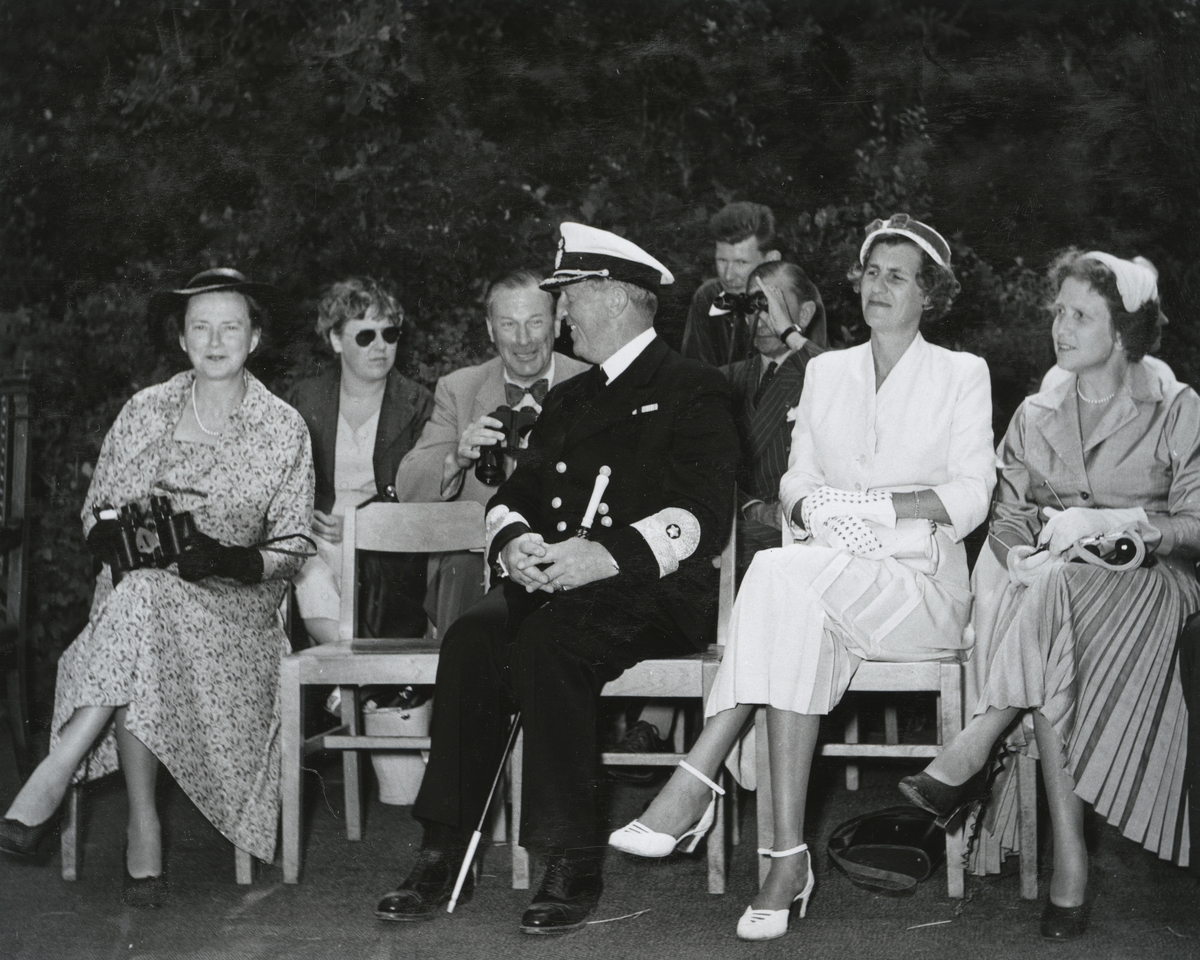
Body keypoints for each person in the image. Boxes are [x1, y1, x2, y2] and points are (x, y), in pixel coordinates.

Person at [611, 214, 995, 942]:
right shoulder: (827, 371)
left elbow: (973, 495)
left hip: (919, 590)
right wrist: (811, 505)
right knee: (792, 611)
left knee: (780, 574)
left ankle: (697, 776)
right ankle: (784, 866)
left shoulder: (960, 373)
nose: (878, 286)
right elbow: (797, 477)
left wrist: (873, 508)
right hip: (826, 584)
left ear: (930, 294)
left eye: (898, 276)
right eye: (871, 272)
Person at [375, 222, 739, 934]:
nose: (560, 312)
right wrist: (512, 540)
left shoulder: (695, 387)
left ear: (616, 297)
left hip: (652, 592)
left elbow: (701, 516)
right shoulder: (571, 398)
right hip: (557, 579)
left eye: (569, 296)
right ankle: (442, 850)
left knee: (552, 642)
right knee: (473, 636)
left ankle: (570, 858)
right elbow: (519, 494)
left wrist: (605, 556)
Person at [899, 250, 1200, 941]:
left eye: (1080, 315)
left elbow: (1196, 523)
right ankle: (1070, 860)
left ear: (1122, 331)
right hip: (1056, 595)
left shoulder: (1176, 408)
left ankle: (978, 744)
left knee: (1051, 599)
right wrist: (1019, 554)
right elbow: (1007, 517)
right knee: (1053, 602)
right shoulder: (1036, 415)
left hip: (1152, 589)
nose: (1060, 327)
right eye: (1058, 312)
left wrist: (1124, 523)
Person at [0, 269, 314, 906]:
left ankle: (56, 773)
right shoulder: (144, 410)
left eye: (231, 327)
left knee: (141, 606)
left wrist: (231, 559)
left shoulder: (284, 427)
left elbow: (293, 545)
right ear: (181, 339)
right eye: (201, 327)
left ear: (254, 338)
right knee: (144, 598)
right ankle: (141, 824)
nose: (215, 341)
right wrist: (110, 538)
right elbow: (96, 510)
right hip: (138, 601)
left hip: (233, 615)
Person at [393, 269, 589, 632]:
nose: (523, 340)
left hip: (561, 557)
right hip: (474, 563)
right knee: (459, 573)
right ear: (490, 329)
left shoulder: (591, 383)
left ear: (557, 323)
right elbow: (408, 487)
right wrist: (456, 458)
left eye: (535, 322)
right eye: (508, 324)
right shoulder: (459, 389)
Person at [287, 277, 433, 645]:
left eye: (389, 334)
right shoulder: (305, 399)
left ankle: (343, 670)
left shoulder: (418, 404)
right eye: (366, 336)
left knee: (311, 567)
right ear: (336, 340)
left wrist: (360, 524)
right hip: (318, 536)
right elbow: (283, 482)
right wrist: (305, 515)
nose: (381, 346)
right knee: (305, 560)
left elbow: (424, 496)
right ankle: (351, 666)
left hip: (386, 544)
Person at [721, 261, 828, 572]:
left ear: (804, 314)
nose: (762, 318)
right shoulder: (726, 378)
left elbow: (845, 382)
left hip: (798, 529)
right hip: (739, 518)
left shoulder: (823, 372)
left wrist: (789, 333)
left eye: (772, 305)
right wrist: (751, 507)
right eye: (753, 305)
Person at [680, 201, 782, 367]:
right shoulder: (709, 296)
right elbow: (695, 371)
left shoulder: (793, 300)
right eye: (722, 260)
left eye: (741, 262)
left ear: (771, 260)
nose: (727, 276)